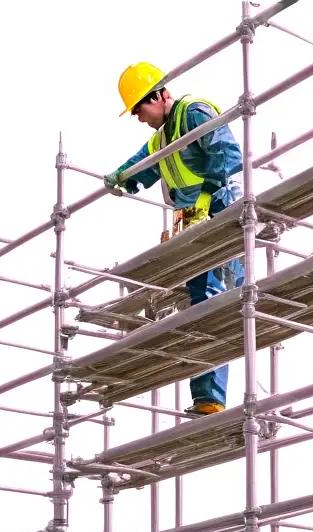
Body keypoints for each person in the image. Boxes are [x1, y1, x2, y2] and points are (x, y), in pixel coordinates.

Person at [103, 62, 244, 416]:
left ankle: (212, 398)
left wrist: (211, 202)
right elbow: (145, 162)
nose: (139, 118)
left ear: (160, 95)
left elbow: (228, 158)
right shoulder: (163, 135)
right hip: (198, 229)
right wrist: (123, 175)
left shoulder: (193, 112)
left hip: (221, 216)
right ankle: (207, 398)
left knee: (214, 305)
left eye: (140, 109)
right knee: (200, 308)